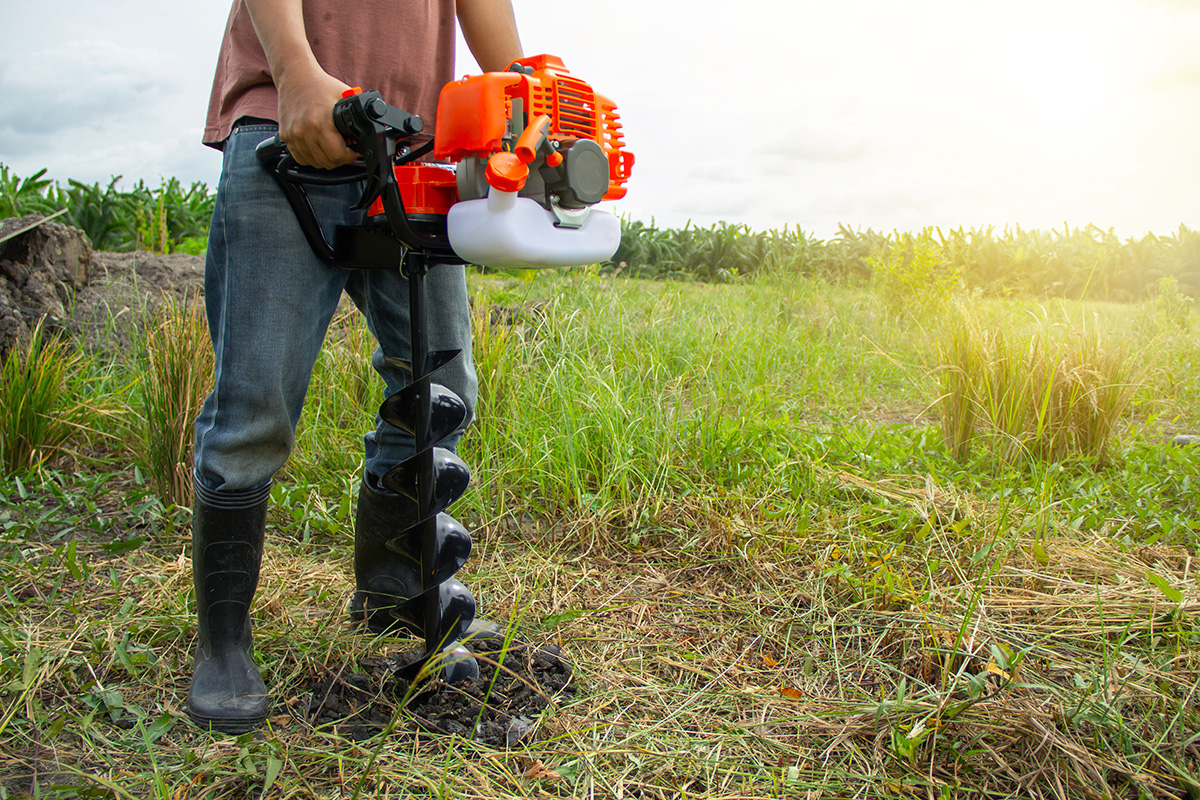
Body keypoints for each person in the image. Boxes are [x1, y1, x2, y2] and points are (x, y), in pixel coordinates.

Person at [188, 0, 523, 734]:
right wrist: (297, 73)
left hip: (413, 151)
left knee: (440, 390)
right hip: (292, 127)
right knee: (256, 410)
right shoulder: (291, 96)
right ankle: (223, 645)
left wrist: (521, 101)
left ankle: (395, 588)